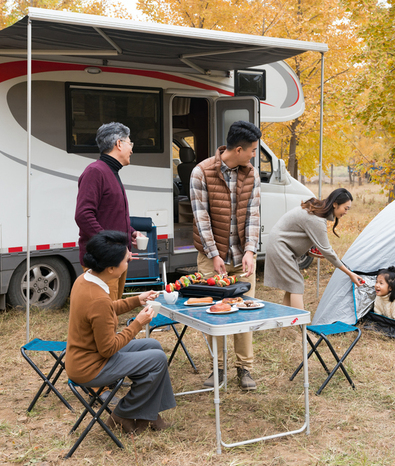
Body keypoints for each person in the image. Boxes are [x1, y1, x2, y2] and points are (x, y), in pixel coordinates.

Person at [65, 230, 176, 434]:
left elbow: (104, 310)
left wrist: (136, 300)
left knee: (153, 345)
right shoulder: (97, 297)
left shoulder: (85, 279)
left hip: (84, 356)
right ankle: (121, 414)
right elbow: (108, 349)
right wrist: (137, 324)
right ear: (110, 268)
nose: (130, 260)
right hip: (90, 366)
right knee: (158, 358)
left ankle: (150, 414)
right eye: (126, 260)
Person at [189, 120, 261, 390]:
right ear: (239, 149)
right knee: (214, 314)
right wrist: (214, 254)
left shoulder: (251, 173)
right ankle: (217, 368)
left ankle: (245, 369)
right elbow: (201, 217)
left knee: (244, 312)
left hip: (241, 255)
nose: (254, 154)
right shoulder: (201, 172)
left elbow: (254, 214)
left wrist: (251, 250)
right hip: (211, 258)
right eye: (252, 150)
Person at [75, 122, 145, 301]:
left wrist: (131, 233)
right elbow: (84, 215)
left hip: (116, 260)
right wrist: (111, 246)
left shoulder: (111, 171)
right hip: (103, 262)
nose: (131, 149)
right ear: (119, 144)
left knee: (112, 314)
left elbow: (111, 216)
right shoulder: (95, 172)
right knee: (105, 317)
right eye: (130, 143)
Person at [264, 188, 363, 310]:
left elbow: (296, 234)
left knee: (292, 287)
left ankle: (287, 327)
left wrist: (310, 252)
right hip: (280, 246)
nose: (346, 212)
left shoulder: (316, 212)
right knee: (296, 284)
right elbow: (328, 251)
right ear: (335, 204)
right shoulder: (316, 219)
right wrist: (350, 273)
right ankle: (299, 326)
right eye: (346, 208)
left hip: (281, 245)